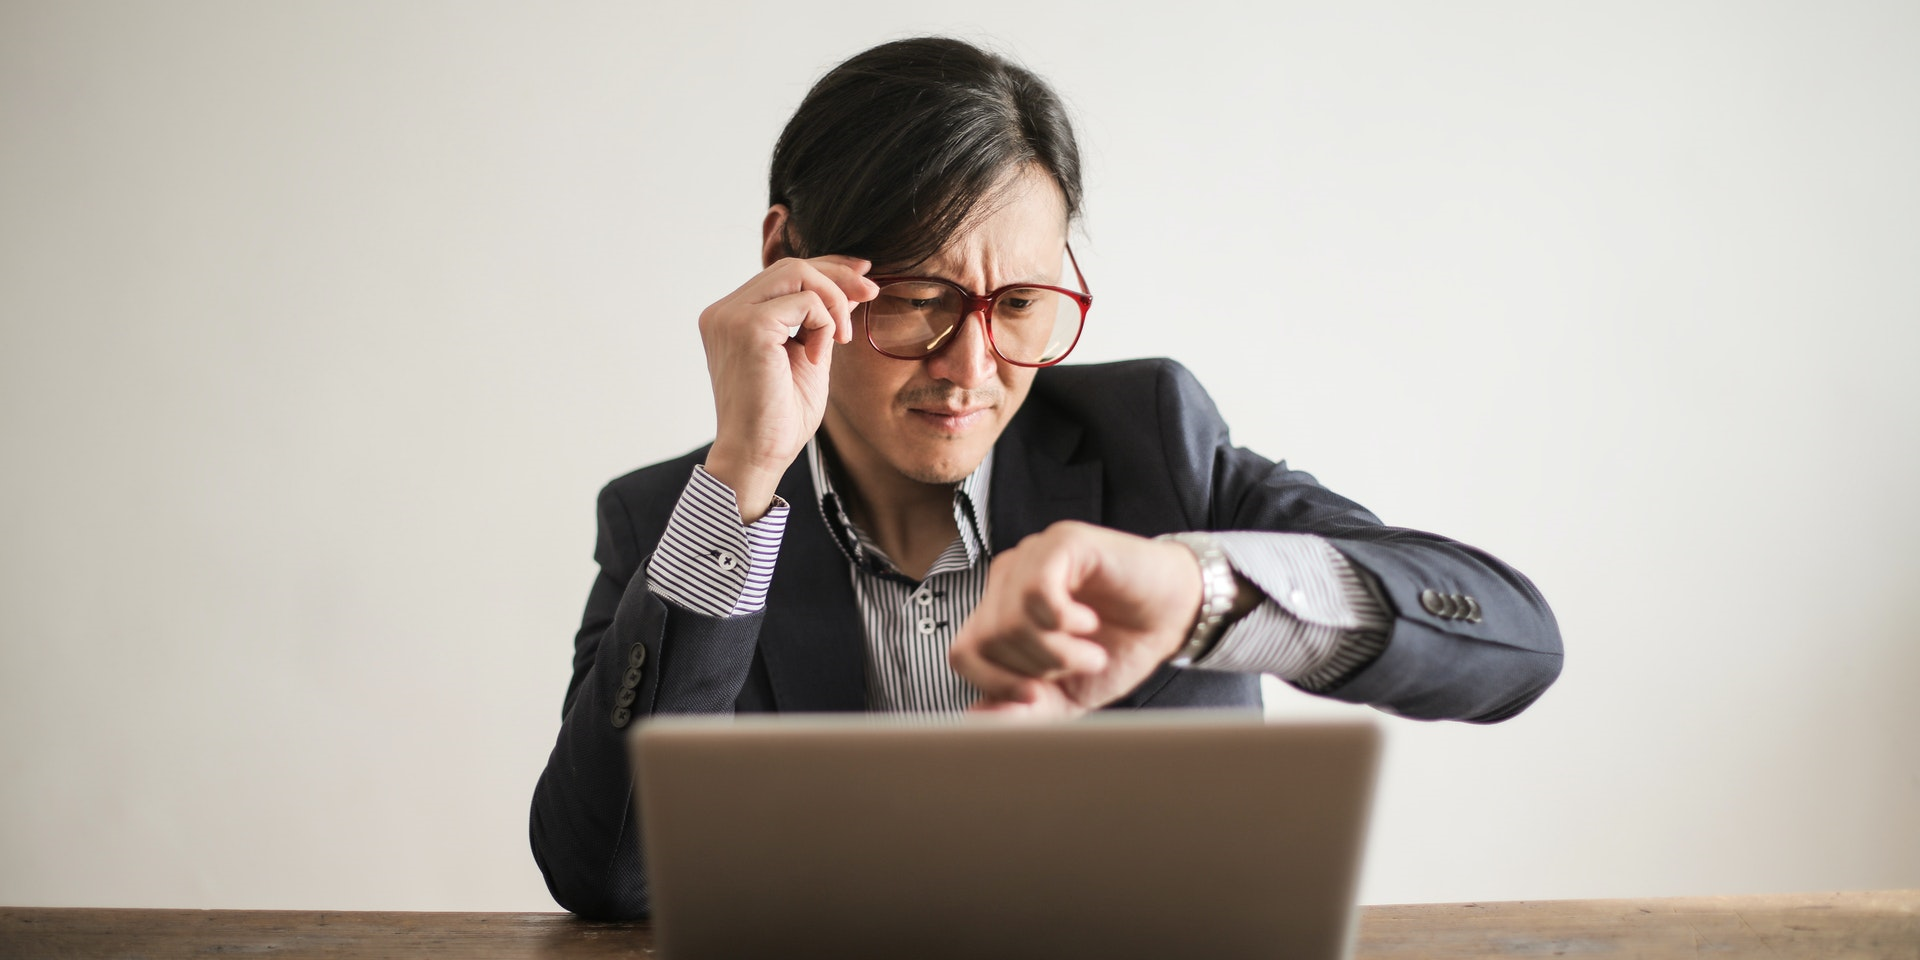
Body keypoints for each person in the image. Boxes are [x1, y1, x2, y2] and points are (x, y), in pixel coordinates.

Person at [529, 36, 1562, 920]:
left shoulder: (1153, 441)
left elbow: (1510, 642)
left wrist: (1201, 597)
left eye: (1021, 304)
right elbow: (607, 873)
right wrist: (745, 479)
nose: (971, 371)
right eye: (918, 298)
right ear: (787, 262)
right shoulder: (676, 519)